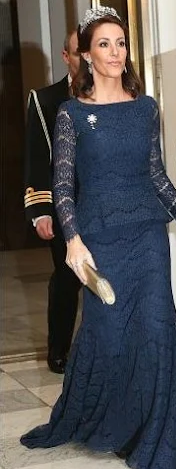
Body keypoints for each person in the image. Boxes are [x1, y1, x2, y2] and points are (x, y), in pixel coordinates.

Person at [21, 6, 176, 469]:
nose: (114, 52)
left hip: (147, 236)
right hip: (99, 238)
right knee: (110, 336)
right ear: (85, 53)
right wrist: (74, 240)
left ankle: (165, 448)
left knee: (155, 332)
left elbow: (155, 175)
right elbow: (63, 187)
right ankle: (116, 422)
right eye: (103, 44)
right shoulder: (71, 114)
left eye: (120, 42)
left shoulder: (144, 108)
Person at [24, 31, 82, 374]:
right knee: (67, 276)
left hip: (104, 202)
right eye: (78, 52)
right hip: (64, 205)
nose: (85, 58)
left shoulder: (113, 93)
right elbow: (36, 157)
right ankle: (59, 349)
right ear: (65, 56)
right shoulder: (44, 99)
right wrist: (40, 210)